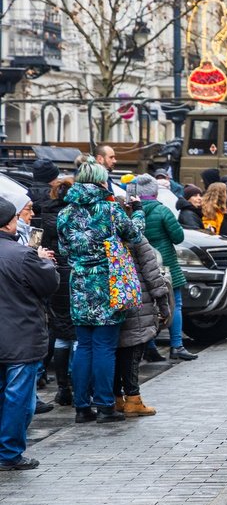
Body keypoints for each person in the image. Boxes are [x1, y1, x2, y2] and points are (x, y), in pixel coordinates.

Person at [58, 162, 144, 423]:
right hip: (108, 284)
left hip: (80, 284)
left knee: (83, 346)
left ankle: (82, 407)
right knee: (105, 347)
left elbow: (64, 250)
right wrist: (138, 211)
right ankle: (106, 405)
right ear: (100, 182)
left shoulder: (65, 213)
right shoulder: (110, 210)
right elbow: (136, 235)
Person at [0, 196, 59, 471]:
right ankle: (9, 452)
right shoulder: (21, 255)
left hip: (12, 336)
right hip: (20, 337)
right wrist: (43, 262)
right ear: (7, 224)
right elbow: (48, 284)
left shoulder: (20, 254)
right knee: (18, 398)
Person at [134, 174, 196, 362]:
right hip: (165, 264)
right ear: (155, 192)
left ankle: (150, 347)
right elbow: (178, 237)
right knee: (174, 303)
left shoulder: (130, 211)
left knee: (147, 306)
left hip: (141, 264)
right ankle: (176, 346)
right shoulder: (162, 211)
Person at [115, 239, 169, 417]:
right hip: (137, 300)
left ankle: (115, 399)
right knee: (132, 350)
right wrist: (163, 305)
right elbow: (152, 274)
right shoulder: (134, 235)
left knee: (112, 352)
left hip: (111, 299)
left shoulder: (97, 230)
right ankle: (133, 399)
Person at [40, 177, 76, 406]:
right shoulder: (75, 215)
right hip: (75, 273)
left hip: (55, 275)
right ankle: (77, 386)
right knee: (79, 336)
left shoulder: (45, 214)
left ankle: (63, 388)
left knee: (61, 332)